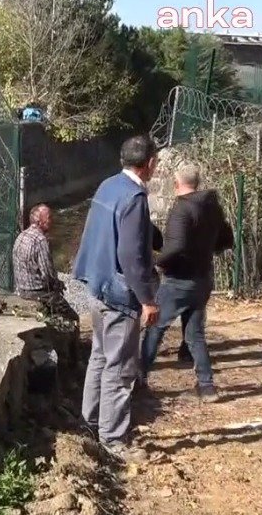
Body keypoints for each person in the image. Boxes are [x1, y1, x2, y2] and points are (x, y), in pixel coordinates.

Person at [72, 134, 160, 461]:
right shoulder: (135, 197)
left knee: (100, 357)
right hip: (119, 294)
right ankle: (113, 440)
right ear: (149, 162)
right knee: (120, 368)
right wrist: (148, 299)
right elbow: (132, 255)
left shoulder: (108, 185)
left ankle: (89, 424)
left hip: (97, 285)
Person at [140, 164, 233, 401]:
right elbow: (226, 239)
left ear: (176, 183)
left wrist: (157, 263)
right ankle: (207, 386)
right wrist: (204, 251)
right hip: (203, 279)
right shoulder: (212, 207)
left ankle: (139, 379)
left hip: (179, 281)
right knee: (195, 335)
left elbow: (176, 246)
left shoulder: (182, 209)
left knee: (155, 328)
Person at [12, 204, 78, 332]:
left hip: (21, 288)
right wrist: (58, 285)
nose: (51, 220)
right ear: (40, 222)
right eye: (49, 217)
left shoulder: (21, 236)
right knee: (73, 317)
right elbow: (47, 274)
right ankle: (73, 349)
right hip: (38, 292)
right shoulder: (40, 240)